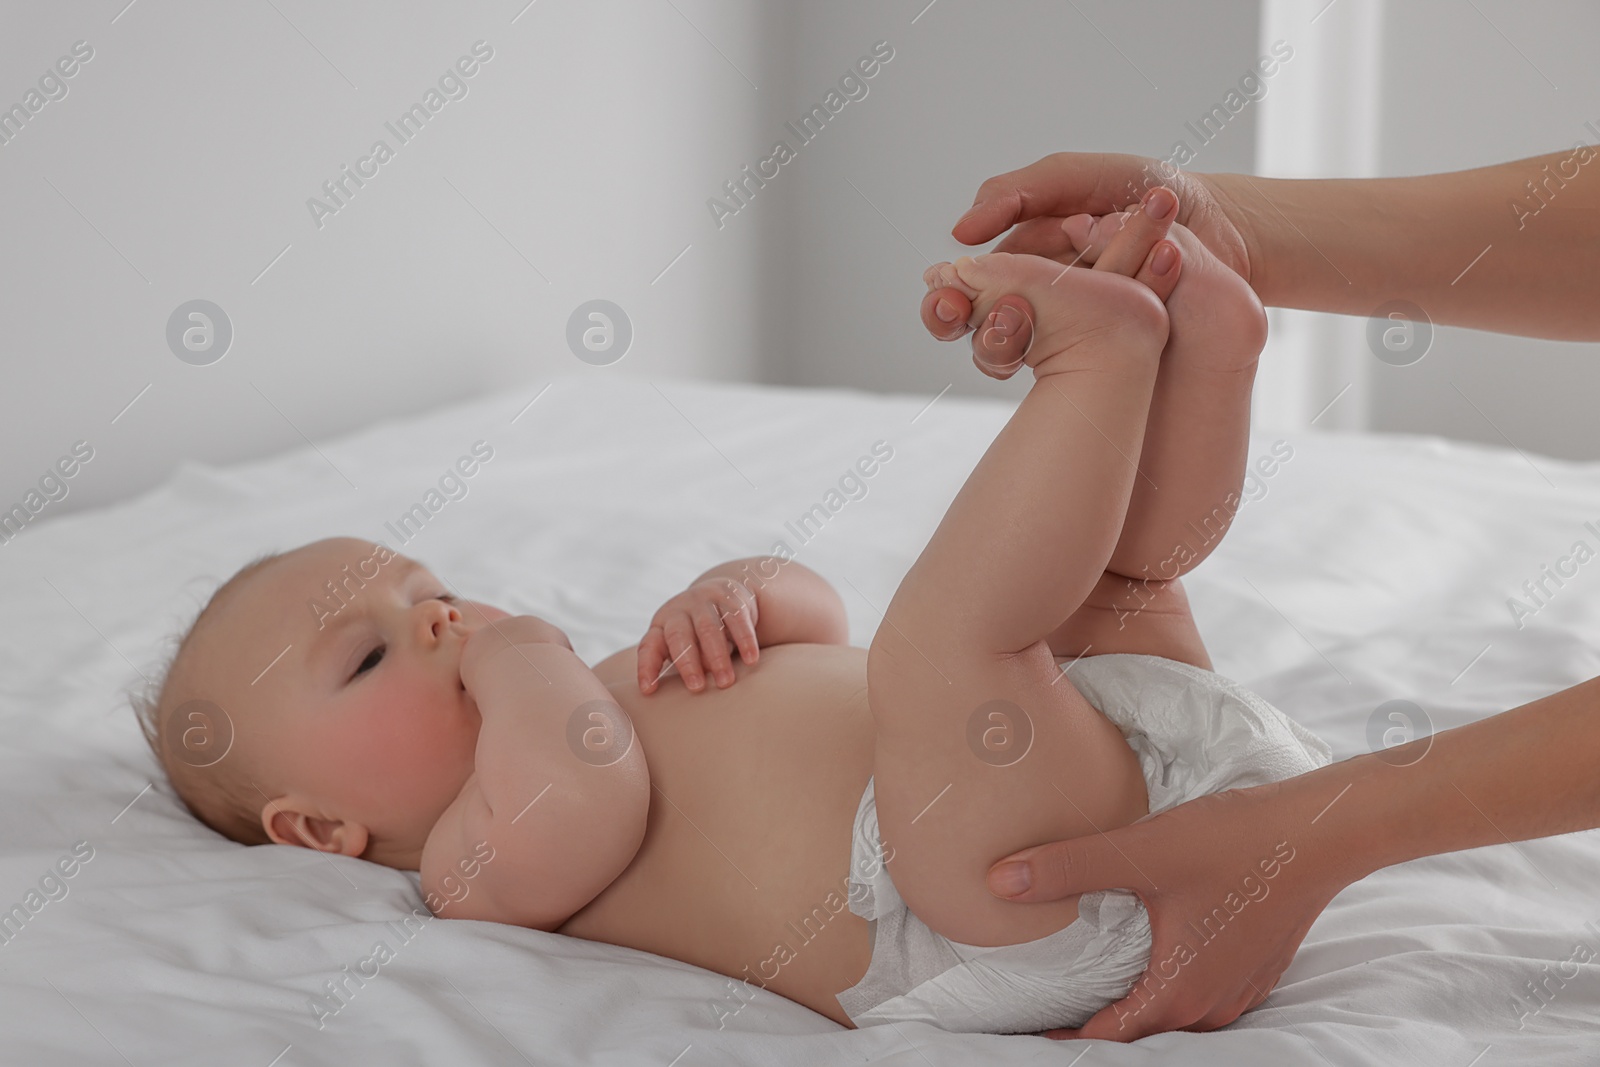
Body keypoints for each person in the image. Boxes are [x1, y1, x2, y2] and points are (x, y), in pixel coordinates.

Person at [133, 186, 1305, 1035]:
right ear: (319, 829)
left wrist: (736, 593)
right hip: (974, 900)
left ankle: (1215, 345)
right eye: (370, 651)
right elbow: (587, 790)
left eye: (428, 588)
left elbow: (816, 625)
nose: (439, 620)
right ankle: (1101, 363)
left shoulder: (586, 672)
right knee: (945, 644)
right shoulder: (461, 860)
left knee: (1123, 587)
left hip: (1117, 767)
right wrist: (524, 650)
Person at [917, 148, 1600, 1041]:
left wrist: (728, 595)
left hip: (1011, 862)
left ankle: (1136, 355)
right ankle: (1151, 344)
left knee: (1035, 618)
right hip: (1033, 857)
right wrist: (1230, 230)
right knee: (1043, 614)